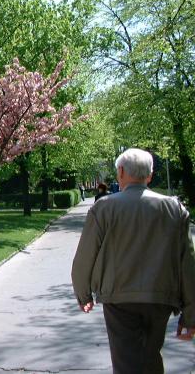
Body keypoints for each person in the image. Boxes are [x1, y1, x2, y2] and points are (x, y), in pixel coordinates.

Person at [71, 148, 195, 373]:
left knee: (127, 361)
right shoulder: (175, 209)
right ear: (149, 175)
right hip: (161, 296)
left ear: (120, 172)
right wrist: (190, 313)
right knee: (150, 355)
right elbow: (188, 264)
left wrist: (83, 294)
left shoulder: (104, 208)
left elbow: (85, 256)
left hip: (119, 297)